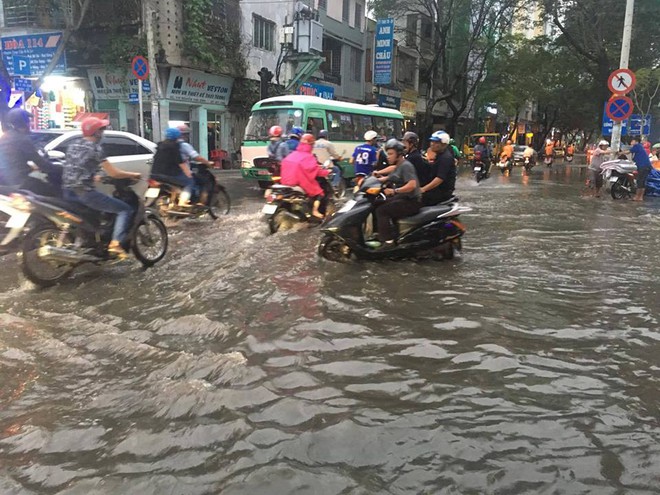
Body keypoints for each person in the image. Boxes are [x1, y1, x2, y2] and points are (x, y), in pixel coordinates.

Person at [62, 117, 141, 259]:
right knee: (125, 209)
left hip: (68, 192)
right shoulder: (95, 148)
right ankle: (115, 243)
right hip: (85, 193)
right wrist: (133, 174)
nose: (103, 133)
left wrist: (98, 176)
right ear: (96, 132)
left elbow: (80, 167)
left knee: (98, 215)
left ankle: (93, 242)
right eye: (101, 130)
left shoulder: (73, 145)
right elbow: (114, 173)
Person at [370, 139, 421, 249]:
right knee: (376, 204)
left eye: (391, 154)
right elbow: (393, 173)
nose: (388, 156)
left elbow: (412, 185)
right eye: (387, 154)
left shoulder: (406, 166)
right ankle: (380, 234)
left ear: (399, 154)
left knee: (382, 210)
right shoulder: (399, 165)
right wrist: (379, 177)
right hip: (403, 198)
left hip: (411, 201)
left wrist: (394, 191)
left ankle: (388, 242)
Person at [0, 108, 62, 196]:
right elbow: (41, 163)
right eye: (28, 121)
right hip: (19, 182)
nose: (30, 123)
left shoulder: (5, 137)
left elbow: (13, 160)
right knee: (53, 192)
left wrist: (32, 167)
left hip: (5, 182)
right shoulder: (22, 139)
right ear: (24, 122)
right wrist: (59, 170)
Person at [280, 133, 330, 219]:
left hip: (285, 181)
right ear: (311, 145)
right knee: (319, 193)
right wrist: (326, 172)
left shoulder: (292, 154)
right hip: (299, 181)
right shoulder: (308, 157)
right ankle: (315, 211)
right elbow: (315, 170)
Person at [151, 128, 195, 206]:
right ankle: (183, 201)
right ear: (177, 137)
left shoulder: (160, 146)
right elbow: (180, 163)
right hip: (170, 174)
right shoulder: (174, 147)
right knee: (189, 181)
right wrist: (189, 174)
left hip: (154, 174)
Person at [178, 125, 216, 205]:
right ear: (184, 135)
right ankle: (200, 201)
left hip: (170, 172)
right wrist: (207, 163)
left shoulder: (170, 145)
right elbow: (197, 157)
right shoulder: (184, 145)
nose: (187, 136)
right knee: (203, 180)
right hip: (182, 173)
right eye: (187, 134)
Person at [421, 131, 456, 206]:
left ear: (444, 144)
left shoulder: (445, 158)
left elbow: (439, 179)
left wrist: (423, 189)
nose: (432, 144)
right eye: (432, 141)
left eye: (436, 142)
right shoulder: (439, 156)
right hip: (436, 191)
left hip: (441, 192)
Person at [627, 137, 652, 201]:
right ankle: (640, 197)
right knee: (642, 181)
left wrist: (619, 153)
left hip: (643, 166)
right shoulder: (640, 147)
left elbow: (628, 152)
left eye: (632, 141)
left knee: (639, 181)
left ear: (635, 141)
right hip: (647, 166)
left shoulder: (637, 146)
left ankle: (637, 197)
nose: (631, 143)